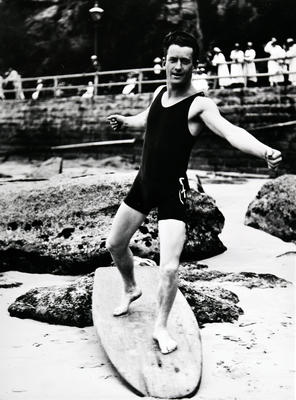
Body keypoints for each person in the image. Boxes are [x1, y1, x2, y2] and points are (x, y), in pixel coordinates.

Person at [106, 31, 282, 355]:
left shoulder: (199, 105)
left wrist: (263, 151)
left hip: (174, 190)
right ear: (164, 60)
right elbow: (146, 120)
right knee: (115, 245)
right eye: (172, 59)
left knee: (169, 267)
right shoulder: (159, 92)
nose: (177, 66)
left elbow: (231, 132)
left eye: (185, 61)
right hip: (144, 184)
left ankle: (160, 326)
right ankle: (130, 288)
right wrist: (124, 121)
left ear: (193, 64)